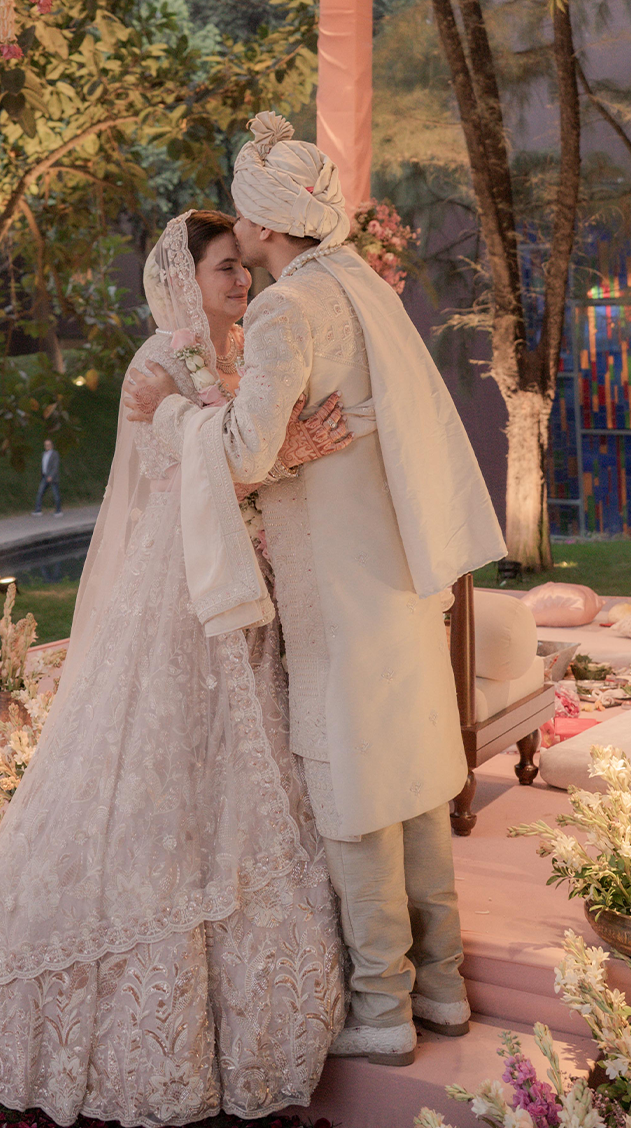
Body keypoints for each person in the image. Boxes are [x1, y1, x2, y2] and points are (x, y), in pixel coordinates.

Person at [0, 209, 352, 1125]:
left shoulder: (249, 352)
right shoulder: (156, 364)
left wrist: (281, 451)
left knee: (239, 762)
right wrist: (286, 450)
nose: (240, 281)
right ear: (183, 278)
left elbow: (241, 456)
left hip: (244, 581)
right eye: (224, 268)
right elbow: (189, 468)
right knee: (159, 762)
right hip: (177, 589)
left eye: (242, 267)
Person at [126, 114, 507, 1069]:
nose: (240, 237)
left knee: (354, 783)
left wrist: (169, 415)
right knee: (417, 775)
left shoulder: (286, 309)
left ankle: (382, 1007)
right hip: (400, 572)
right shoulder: (361, 284)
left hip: (337, 586)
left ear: (264, 220)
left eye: (243, 215)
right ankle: (443, 987)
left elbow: (244, 451)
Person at [32, 437, 62, 517]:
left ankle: (58, 511)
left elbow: (55, 466)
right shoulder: (43, 454)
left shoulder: (55, 454)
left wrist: (51, 476)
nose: (47, 446)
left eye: (48, 445)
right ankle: (38, 510)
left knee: (55, 494)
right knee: (40, 493)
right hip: (44, 476)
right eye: (45, 445)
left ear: (52, 445)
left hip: (52, 477)